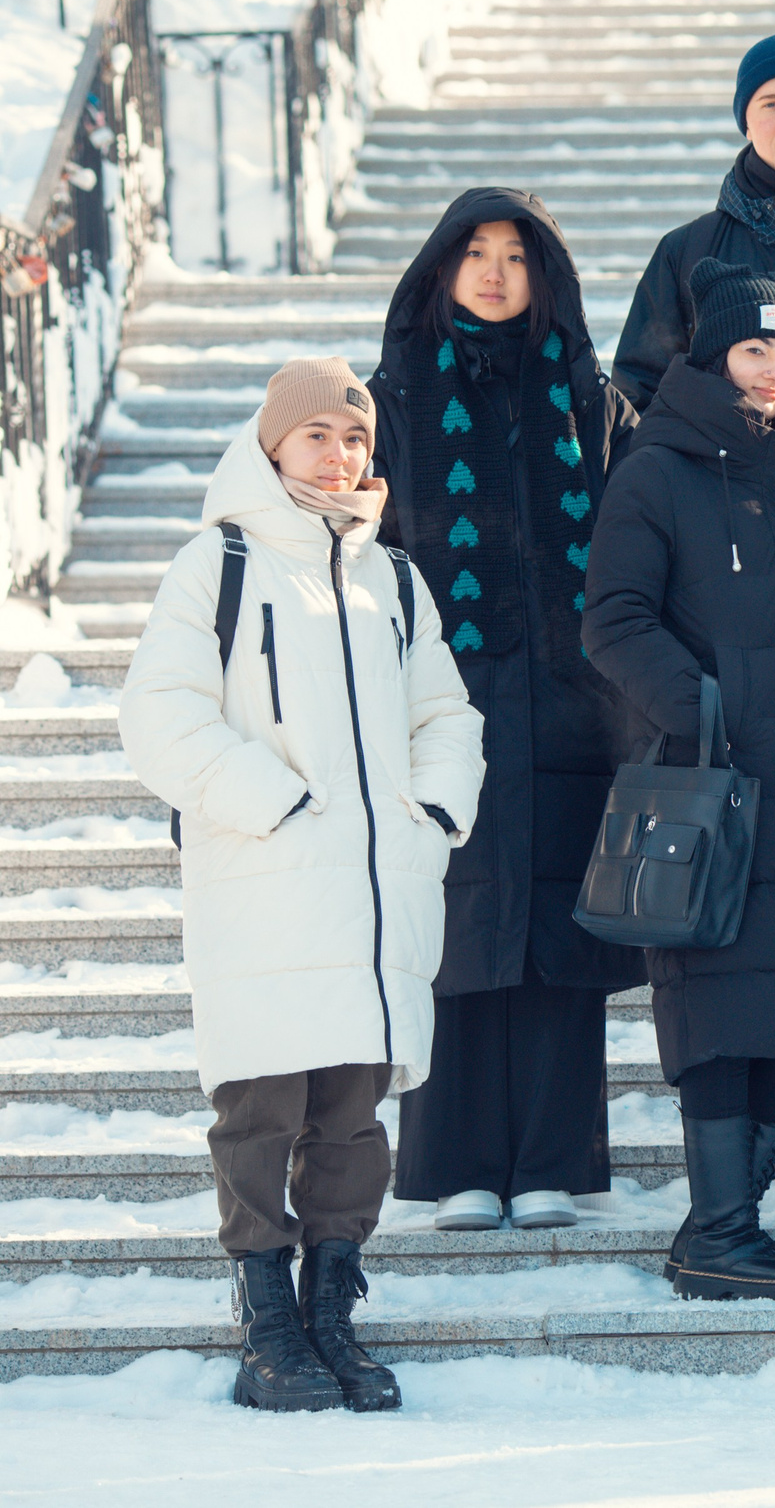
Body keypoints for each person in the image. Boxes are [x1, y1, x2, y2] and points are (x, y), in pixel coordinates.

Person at [121, 358, 485, 1411]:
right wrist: (274, 804)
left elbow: (445, 718)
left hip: (378, 900)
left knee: (351, 1119)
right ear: (273, 443)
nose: (339, 454)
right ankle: (265, 1317)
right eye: (318, 434)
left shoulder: (395, 581)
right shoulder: (218, 563)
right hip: (267, 887)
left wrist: (434, 814)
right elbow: (161, 714)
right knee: (261, 1108)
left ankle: (333, 1311)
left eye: (356, 438)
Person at [582, 261, 775, 1302]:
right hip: (709, 789)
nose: (773, 369)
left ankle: (721, 1226)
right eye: (754, 349)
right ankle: (721, 1228)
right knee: (717, 1012)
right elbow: (613, 618)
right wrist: (702, 711)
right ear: (709, 358)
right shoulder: (654, 472)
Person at [370, 190, 642, 1234]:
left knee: (559, 948)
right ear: (439, 271)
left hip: (576, 711)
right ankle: (453, 1167)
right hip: (444, 708)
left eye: (515, 256)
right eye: (472, 253)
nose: (492, 272)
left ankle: (553, 1165)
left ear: (547, 277)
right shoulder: (393, 398)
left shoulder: (587, 400)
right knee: (461, 935)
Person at [613, 33, 775, 407]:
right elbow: (640, 392)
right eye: (770, 104)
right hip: (725, 465)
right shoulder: (688, 250)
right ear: (746, 123)